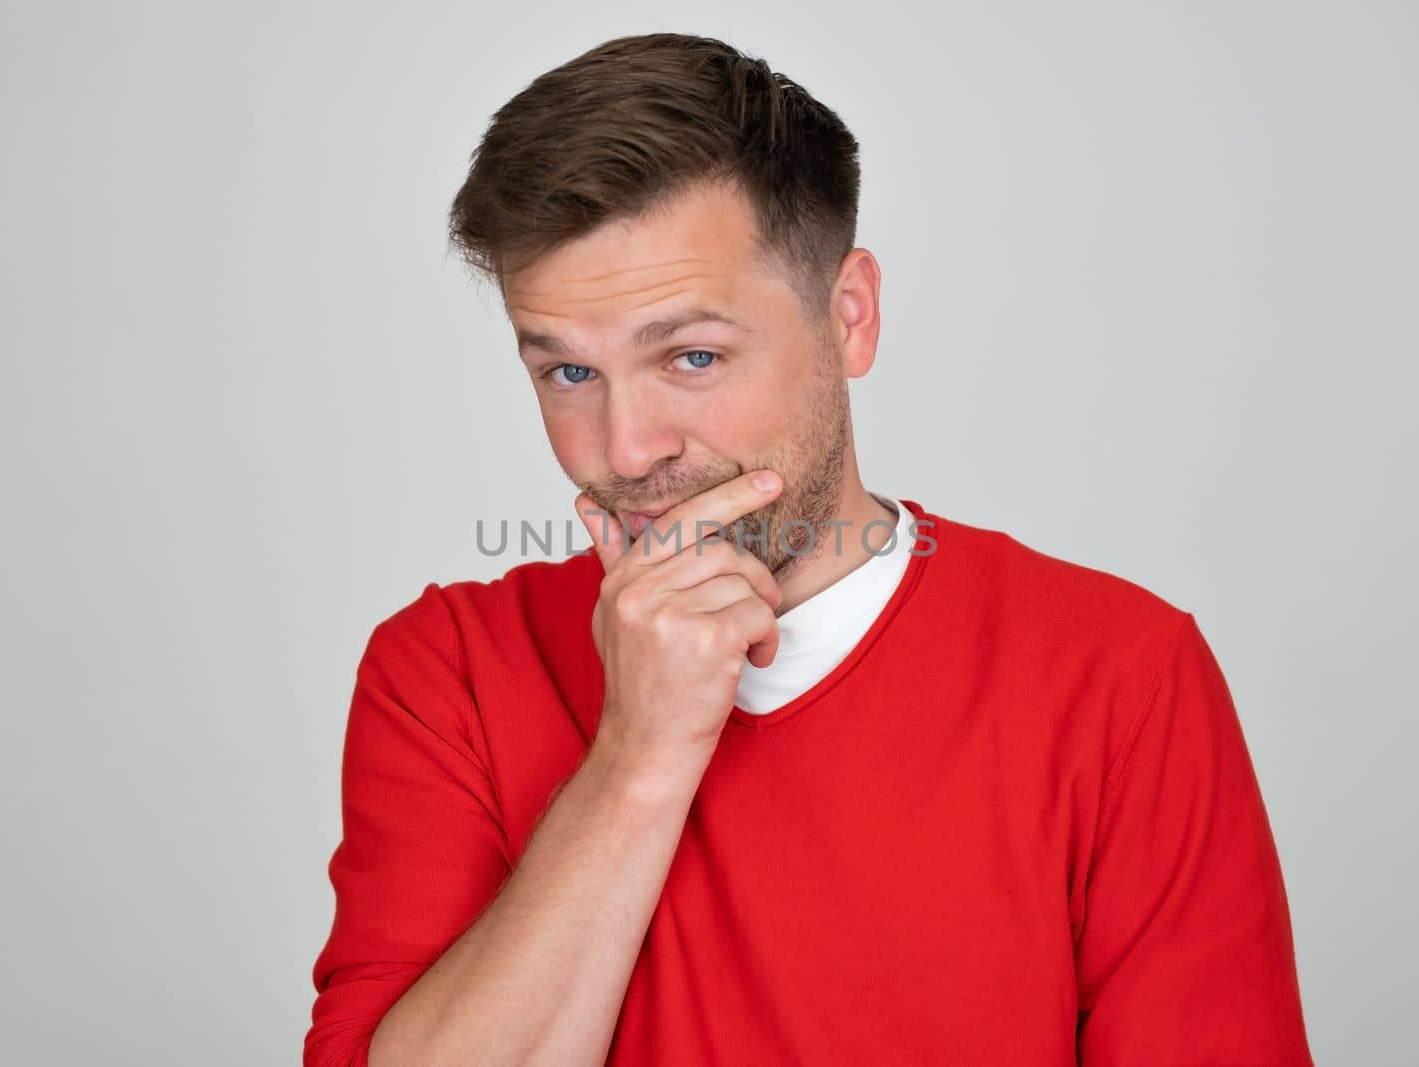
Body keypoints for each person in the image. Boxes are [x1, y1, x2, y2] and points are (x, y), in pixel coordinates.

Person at [304, 32, 1314, 1066]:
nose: (625, 446)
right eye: (567, 373)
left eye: (692, 356)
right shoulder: (449, 669)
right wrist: (636, 759)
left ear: (850, 316)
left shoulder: (1116, 674)